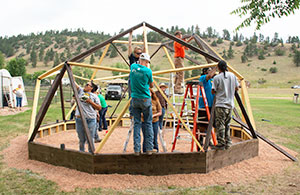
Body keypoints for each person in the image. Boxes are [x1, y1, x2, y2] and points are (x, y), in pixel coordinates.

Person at [212, 60, 239, 150]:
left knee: (220, 124)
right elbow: (237, 88)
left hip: (220, 104)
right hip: (230, 104)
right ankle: (228, 142)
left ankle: (221, 143)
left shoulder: (217, 78)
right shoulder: (232, 76)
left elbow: (213, 90)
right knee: (227, 124)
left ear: (218, 68)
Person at [130, 53, 154, 155]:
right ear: (147, 62)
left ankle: (136, 149)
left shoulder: (133, 67)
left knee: (136, 123)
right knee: (148, 123)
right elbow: (151, 85)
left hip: (135, 98)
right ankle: (149, 148)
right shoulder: (148, 71)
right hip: (145, 98)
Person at [74, 81, 101, 152]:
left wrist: (90, 102)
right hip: (79, 119)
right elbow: (74, 83)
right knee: (81, 138)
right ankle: (81, 152)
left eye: (87, 84)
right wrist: (69, 70)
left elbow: (99, 107)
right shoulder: (80, 91)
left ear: (91, 88)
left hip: (90, 119)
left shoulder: (95, 96)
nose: (85, 86)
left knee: (90, 138)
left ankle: (91, 153)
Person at [198, 67, 216, 146]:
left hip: (211, 104)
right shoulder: (203, 78)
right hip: (203, 105)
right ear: (205, 72)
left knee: (210, 124)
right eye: (209, 70)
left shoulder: (212, 80)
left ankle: (208, 140)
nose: (211, 72)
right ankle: (201, 139)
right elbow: (209, 76)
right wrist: (215, 68)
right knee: (202, 125)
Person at [142, 88, 162, 153]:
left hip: (154, 121)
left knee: (154, 137)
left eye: (149, 93)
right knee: (146, 137)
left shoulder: (155, 101)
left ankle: (156, 151)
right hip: (145, 121)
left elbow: (160, 112)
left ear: (151, 93)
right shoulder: (142, 101)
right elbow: (139, 112)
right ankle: (145, 151)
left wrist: (153, 115)